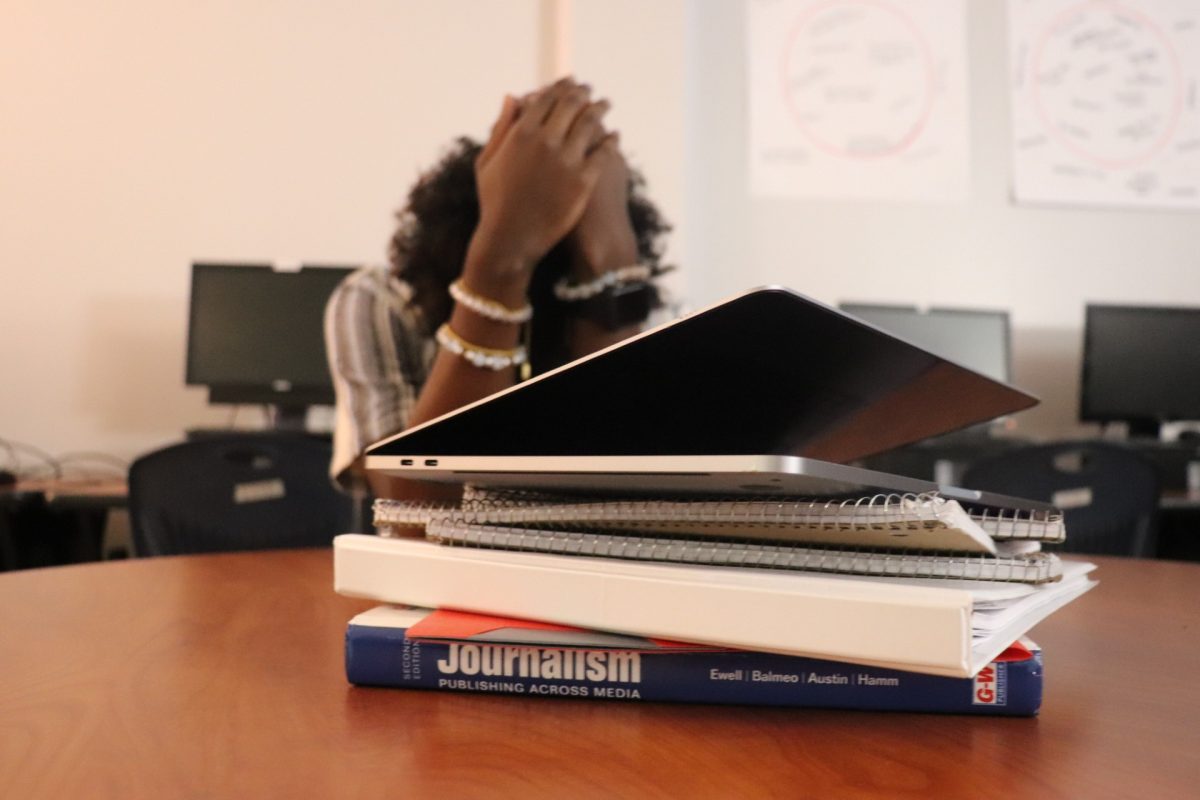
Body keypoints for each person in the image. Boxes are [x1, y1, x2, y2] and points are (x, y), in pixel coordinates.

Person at [325, 77, 672, 500]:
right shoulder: (378, 299)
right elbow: (411, 510)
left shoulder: (640, 302)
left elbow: (633, 494)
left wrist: (611, 265)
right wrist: (501, 260)